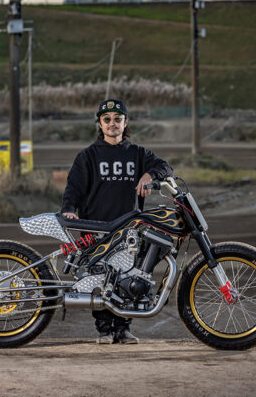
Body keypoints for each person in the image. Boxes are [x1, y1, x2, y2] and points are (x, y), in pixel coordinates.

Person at [61, 99, 173, 344]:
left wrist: (149, 174)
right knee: (99, 278)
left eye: (118, 119)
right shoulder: (87, 156)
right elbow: (74, 188)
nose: (113, 124)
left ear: (126, 122)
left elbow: (165, 167)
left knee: (128, 278)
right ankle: (104, 330)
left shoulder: (139, 154)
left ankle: (123, 329)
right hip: (96, 228)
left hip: (129, 230)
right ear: (100, 124)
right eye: (107, 119)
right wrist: (68, 209)